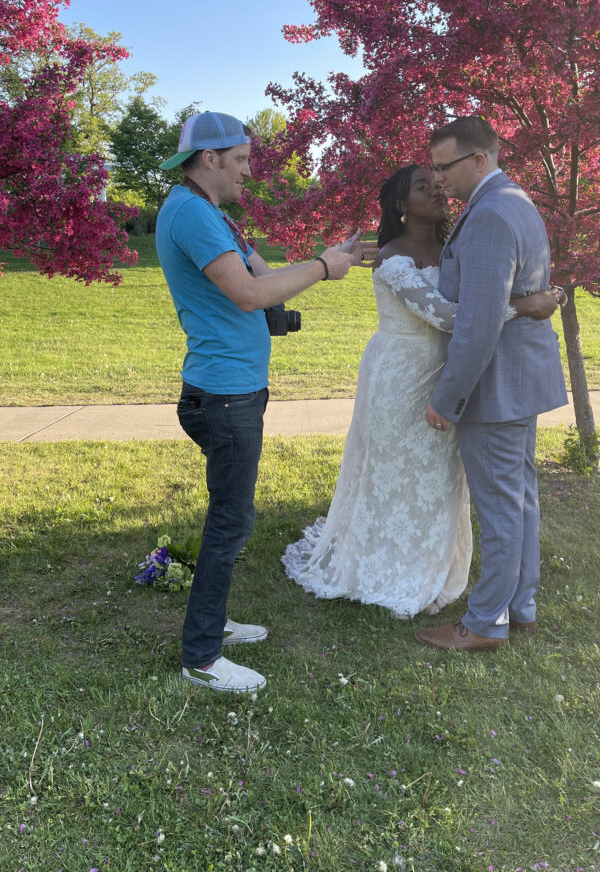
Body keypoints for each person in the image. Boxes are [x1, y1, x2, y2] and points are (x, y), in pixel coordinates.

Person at [282, 164, 561, 618]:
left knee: (441, 475)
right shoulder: (392, 256)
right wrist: (525, 305)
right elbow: (449, 317)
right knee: (397, 470)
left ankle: (432, 561)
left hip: (446, 371)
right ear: (400, 204)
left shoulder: (453, 245)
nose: (437, 192)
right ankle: (392, 566)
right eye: (423, 187)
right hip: (400, 374)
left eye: (439, 185)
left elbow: (479, 290)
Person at [155, 111, 361, 693]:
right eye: (241, 160)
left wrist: (323, 261)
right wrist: (323, 267)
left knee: (231, 518)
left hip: (231, 391)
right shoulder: (192, 213)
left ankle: (213, 625)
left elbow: (260, 273)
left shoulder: (208, 212)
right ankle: (201, 657)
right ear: (210, 159)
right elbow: (248, 294)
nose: (250, 170)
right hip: (222, 398)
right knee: (230, 522)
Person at [416, 116, 568, 654]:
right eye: (433, 168)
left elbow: (478, 324)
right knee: (520, 499)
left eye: (445, 166)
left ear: (479, 160)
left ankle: (484, 623)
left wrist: (448, 398)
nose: (438, 180)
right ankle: (519, 606)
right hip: (519, 378)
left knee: (502, 508)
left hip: (495, 383)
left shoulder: (489, 215)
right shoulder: (516, 201)